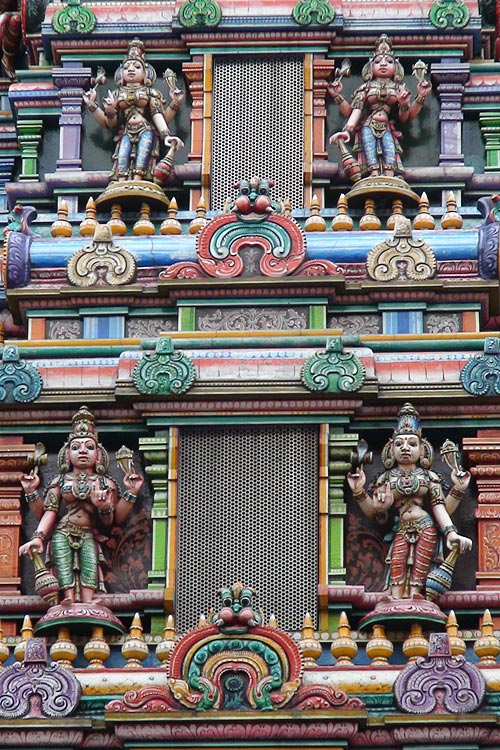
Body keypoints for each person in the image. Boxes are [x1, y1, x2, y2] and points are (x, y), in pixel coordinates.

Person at [19, 405, 143, 604]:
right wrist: (38, 536)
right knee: (63, 565)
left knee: (89, 566)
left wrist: (129, 493)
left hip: (88, 533)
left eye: (89, 447)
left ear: (99, 454)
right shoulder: (59, 482)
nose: (83, 451)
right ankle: (67, 598)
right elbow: (47, 512)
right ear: (66, 455)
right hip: (62, 530)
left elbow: (114, 521)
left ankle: (87, 601)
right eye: (76, 447)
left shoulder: (105, 483)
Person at [347, 403, 472, 600]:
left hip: (426, 526)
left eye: (412, 444)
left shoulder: (428, 477)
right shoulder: (386, 479)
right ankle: (395, 599)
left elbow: (441, 507)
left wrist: (458, 492)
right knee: (397, 561)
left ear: (423, 450)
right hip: (401, 527)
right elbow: (373, 512)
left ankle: (416, 596)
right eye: (399, 444)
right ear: (391, 449)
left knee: (421, 565)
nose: (405, 448)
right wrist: (358, 490)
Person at [82, 38, 183, 183]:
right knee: (122, 156)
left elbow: (158, 115)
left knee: (143, 155)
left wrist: (166, 134)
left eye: (136, 67)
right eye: (126, 67)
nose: (130, 69)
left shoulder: (150, 93)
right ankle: (122, 184)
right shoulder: (117, 94)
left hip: (145, 129)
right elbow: (109, 123)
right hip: (127, 131)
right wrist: (93, 105)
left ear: (145, 73)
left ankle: (137, 181)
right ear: (120, 73)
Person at [329, 35, 431, 178]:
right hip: (368, 125)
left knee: (390, 150)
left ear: (396, 68)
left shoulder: (398, 88)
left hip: (387, 126)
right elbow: (354, 111)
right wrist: (347, 129)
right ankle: (374, 175)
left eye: (389, 61)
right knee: (369, 151)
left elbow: (406, 117)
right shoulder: (366, 87)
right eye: (378, 61)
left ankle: (389, 177)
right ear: (371, 67)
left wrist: (415, 99)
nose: (383, 64)